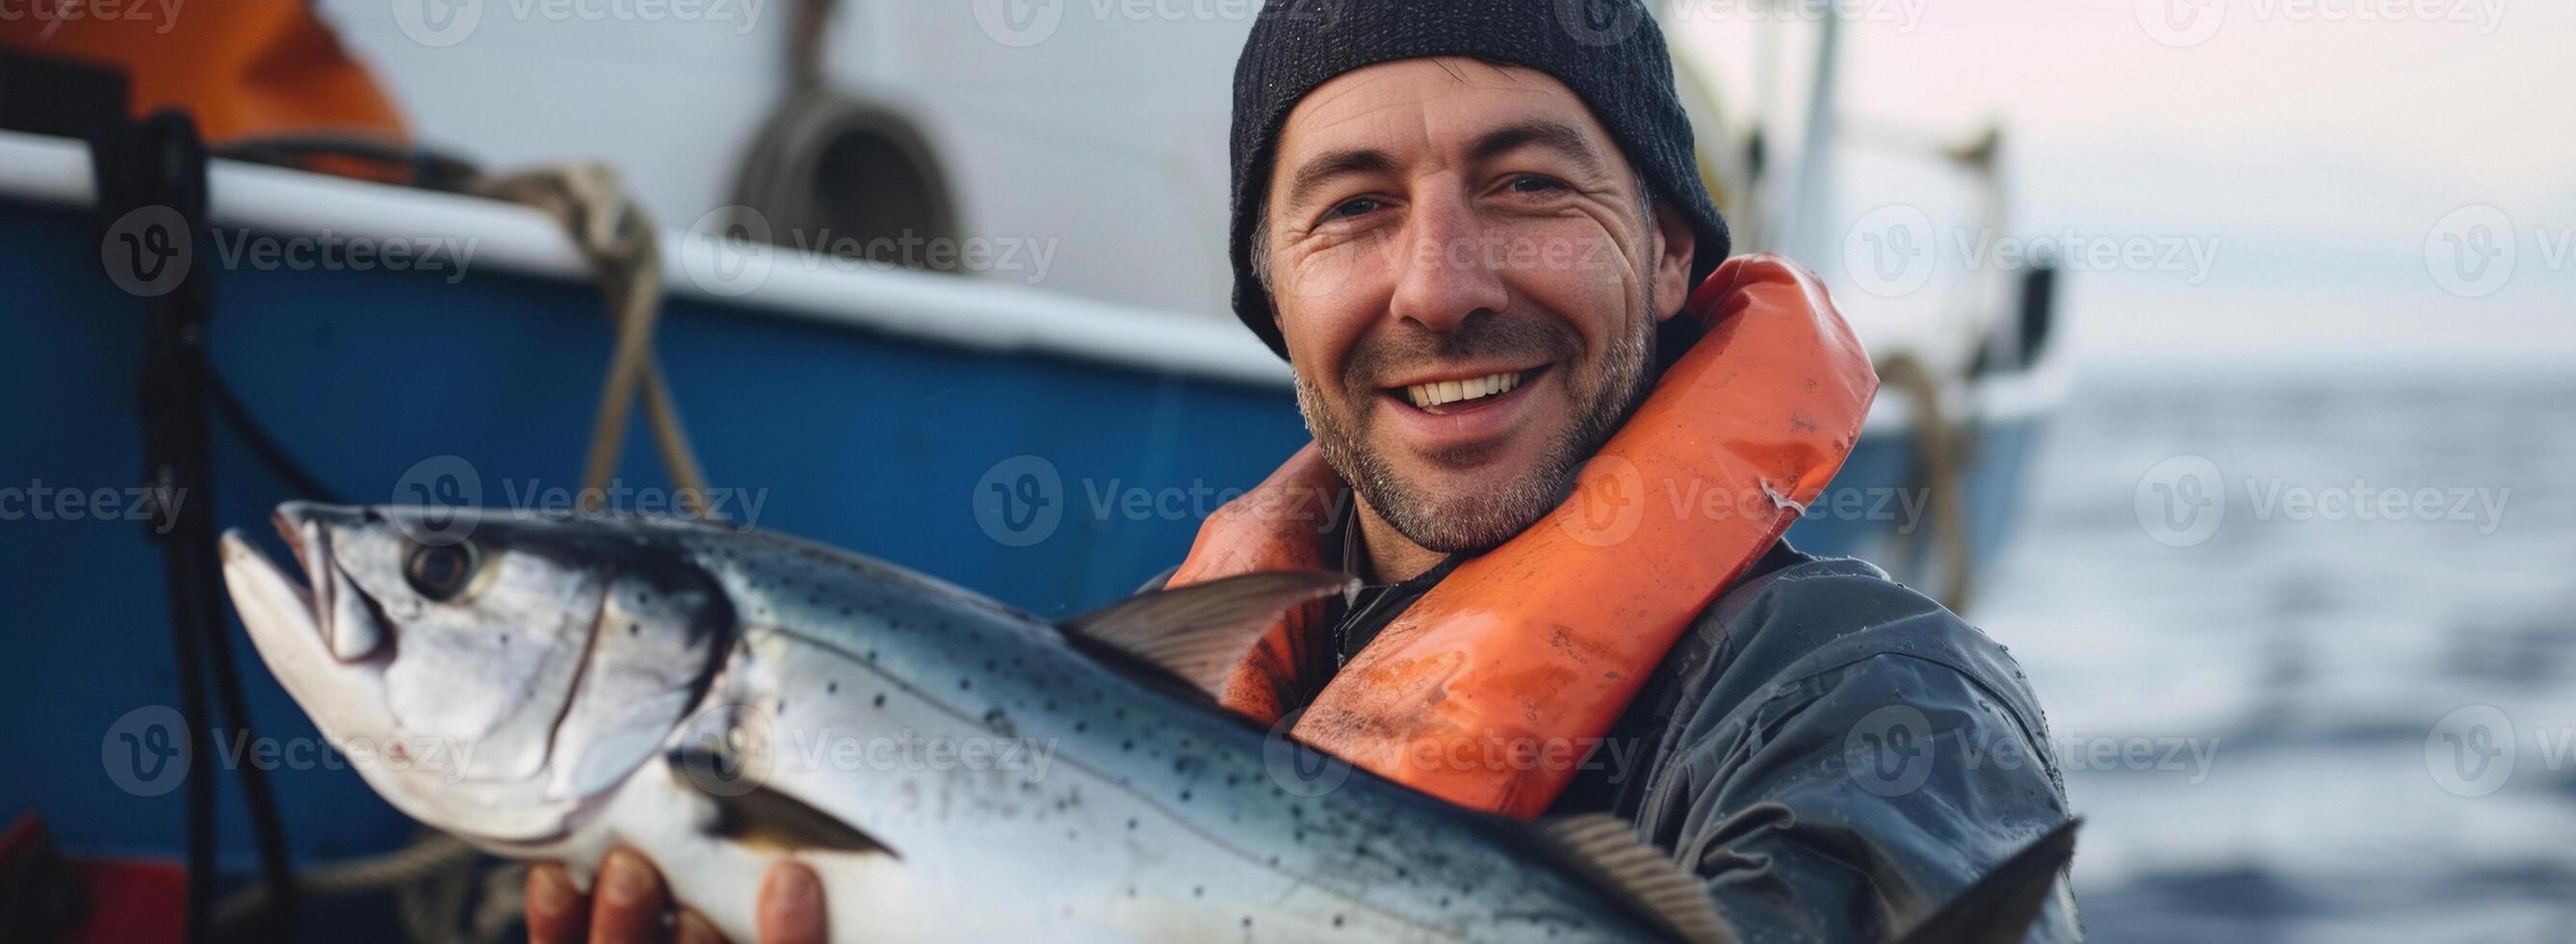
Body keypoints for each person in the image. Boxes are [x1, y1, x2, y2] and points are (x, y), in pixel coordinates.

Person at [533, 2, 2075, 941]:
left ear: (1671, 250)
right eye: (1349, 210)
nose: (1437, 284)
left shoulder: (1876, 704)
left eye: (1529, 183)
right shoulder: (1153, 685)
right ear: (1272, 291)